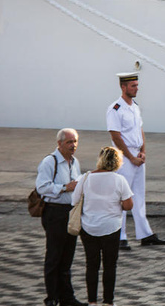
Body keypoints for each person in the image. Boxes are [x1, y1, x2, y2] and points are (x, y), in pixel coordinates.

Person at [106, 72, 165, 250]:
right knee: (122, 196)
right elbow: (115, 136)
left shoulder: (135, 107)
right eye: (133, 86)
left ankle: (145, 234)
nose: (136, 88)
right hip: (124, 157)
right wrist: (130, 157)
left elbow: (140, 130)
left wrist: (143, 152)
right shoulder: (115, 109)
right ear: (123, 87)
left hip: (137, 155)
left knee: (139, 196)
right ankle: (120, 236)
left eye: (137, 85)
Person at [73, 146, 133, 306]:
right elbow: (128, 205)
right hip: (111, 227)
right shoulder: (119, 180)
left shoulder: (85, 178)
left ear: (100, 160)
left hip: (88, 227)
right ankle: (108, 301)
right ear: (117, 162)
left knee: (91, 265)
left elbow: (74, 201)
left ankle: (92, 301)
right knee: (110, 266)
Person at [35, 128, 85, 306]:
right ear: (59, 143)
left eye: (75, 141)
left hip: (70, 212)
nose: (73, 145)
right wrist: (64, 187)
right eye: (69, 142)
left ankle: (67, 298)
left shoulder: (75, 161)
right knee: (54, 256)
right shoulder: (50, 161)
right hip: (55, 212)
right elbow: (42, 187)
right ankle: (51, 297)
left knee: (67, 257)